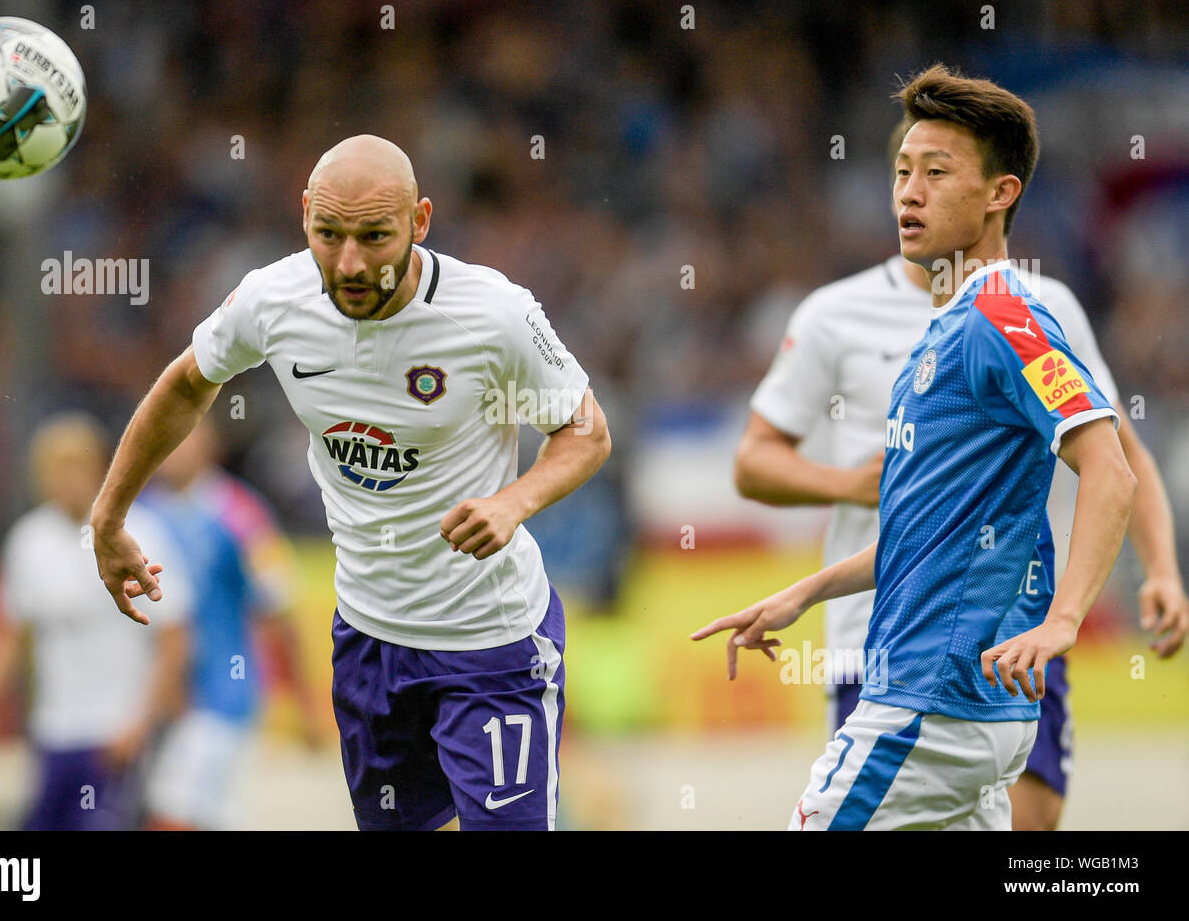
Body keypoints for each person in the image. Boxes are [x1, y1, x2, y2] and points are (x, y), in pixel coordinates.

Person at [90, 135, 611, 832]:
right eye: (328, 234)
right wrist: (109, 516)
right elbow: (187, 385)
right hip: (370, 641)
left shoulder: (493, 313)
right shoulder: (272, 298)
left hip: (491, 641)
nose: (350, 262)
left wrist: (513, 502)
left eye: (375, 236)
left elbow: (586, 430)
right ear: (304, 213)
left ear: (420, 222)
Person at [693, 63, 1136, 830]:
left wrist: (1065, 621)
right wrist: (806, 591)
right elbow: (932, 531)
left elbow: (1111, 466)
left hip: (928, 704)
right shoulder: (950, 328)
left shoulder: (1006, 317)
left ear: (1001, 193)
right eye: (902, 171)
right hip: (961, 708)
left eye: (937, 173)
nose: (909, 192)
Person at [0, 412, 191, 830]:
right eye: (53, 468)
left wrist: (143, 722)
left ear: (100, 468)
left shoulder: (139, 533)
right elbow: (11, 632)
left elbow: (175, 635)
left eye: (73, 466)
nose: (64, 479)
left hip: (115, 732)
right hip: (54, 731)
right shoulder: (28, 540)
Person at [141, 418, 322, 830]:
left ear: (211, 449)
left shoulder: (243, 515)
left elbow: (277, 611)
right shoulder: (142, 513)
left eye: (185, 441)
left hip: (222, 693)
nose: (174, 451)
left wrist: (305, 705)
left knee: (174, 814)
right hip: (152, 698)